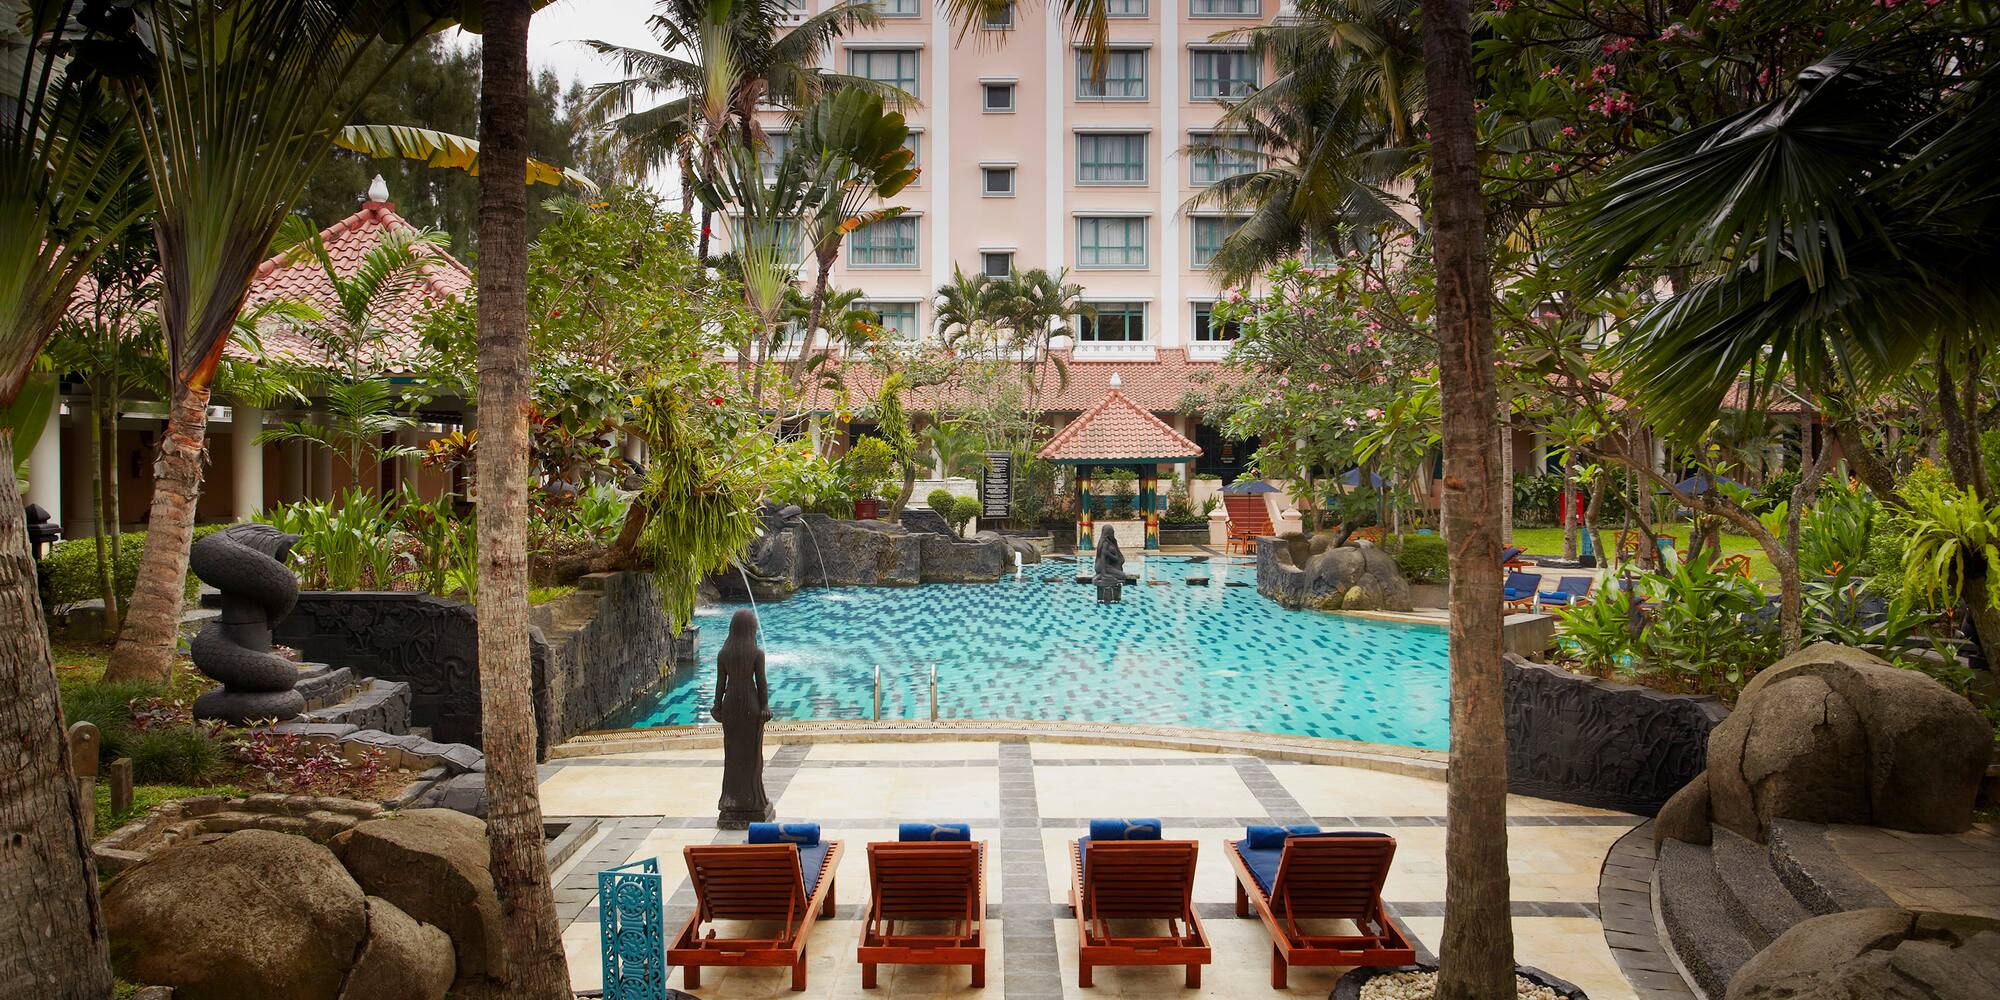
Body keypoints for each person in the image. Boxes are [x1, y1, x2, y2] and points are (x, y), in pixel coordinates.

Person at [713, 608, 775, 825]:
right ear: (751, 629)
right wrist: (765, 706)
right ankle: (754, 800)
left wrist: (717, 706)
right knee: (752, 755)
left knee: (732, 754)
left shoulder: (723, 654)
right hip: (750, 704)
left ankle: (731, 801)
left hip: (730, 705)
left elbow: (720, 684)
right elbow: (761, 682)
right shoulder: (757, 654)